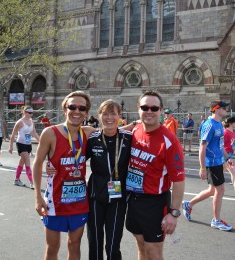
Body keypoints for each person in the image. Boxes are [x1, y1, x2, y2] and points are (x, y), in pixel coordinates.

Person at [33, 91, 94, 260]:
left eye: (82, 108)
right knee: (52, 247)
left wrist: (138, 122)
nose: (77, 111)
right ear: (65, 109)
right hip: (55, 202)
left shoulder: (89, 133)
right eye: (72, 106)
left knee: (74, 245)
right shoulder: (50, 133)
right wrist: (38, 197)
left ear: (86, 112)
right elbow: (37, 163)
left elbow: (114, 132)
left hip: (79, 202)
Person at [125, 90, 185, 260]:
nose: (149, 111)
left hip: (155, 203)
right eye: (145, 107)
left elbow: (179, 180)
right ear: (138, 109)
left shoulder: (170, 141)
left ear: (161, 110)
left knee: (153, 251)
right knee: (140, 244)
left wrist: (173, 213)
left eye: (154, 108)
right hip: (134, 199)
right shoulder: (134, 130)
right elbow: (108, 133)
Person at [86, 100, 132, 260]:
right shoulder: (92, 139)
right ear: (99, 116)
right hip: (95, 198)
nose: (109, 117)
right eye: (105, 113)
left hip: (118, 198)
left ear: (120, 116)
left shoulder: (129, 138)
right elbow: (74, 161)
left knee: (113, 244)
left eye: (113, 113)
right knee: (95, 242)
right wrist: (52, 165)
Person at [182, 100, 233, 231]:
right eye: (224, 108)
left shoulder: (219, 125)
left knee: (212, 190)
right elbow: (202, 148)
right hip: (212, 163)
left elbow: (219, 145)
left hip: (218, 161)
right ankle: (216, 220)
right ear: (216, 109)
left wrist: (228, 158)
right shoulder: (209, 125)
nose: (226, 110)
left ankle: (189, 204)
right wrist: (202, 168)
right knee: (220, 190)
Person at [9, 106, 40, 189]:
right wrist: (11, 146)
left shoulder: (31, 121)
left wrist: (41, 141)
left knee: (21, 162)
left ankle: (16, 179)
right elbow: (13, 134)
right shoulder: (20, 122)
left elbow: (34, 133)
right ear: (24, 112)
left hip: (28, 144)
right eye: (29, 112)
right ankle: (32, 182)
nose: (31, 114)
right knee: (27, 162)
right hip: (21, 144)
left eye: (32, 112)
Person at [223, 116, 235, 189]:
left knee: (221, 173)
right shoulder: (225, 132)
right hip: (226, 155)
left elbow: (232, 144)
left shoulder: (233, 132)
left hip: (231, 155)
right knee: (233, 173)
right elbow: (220, 145)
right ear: (231, 123)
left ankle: (215, 189)